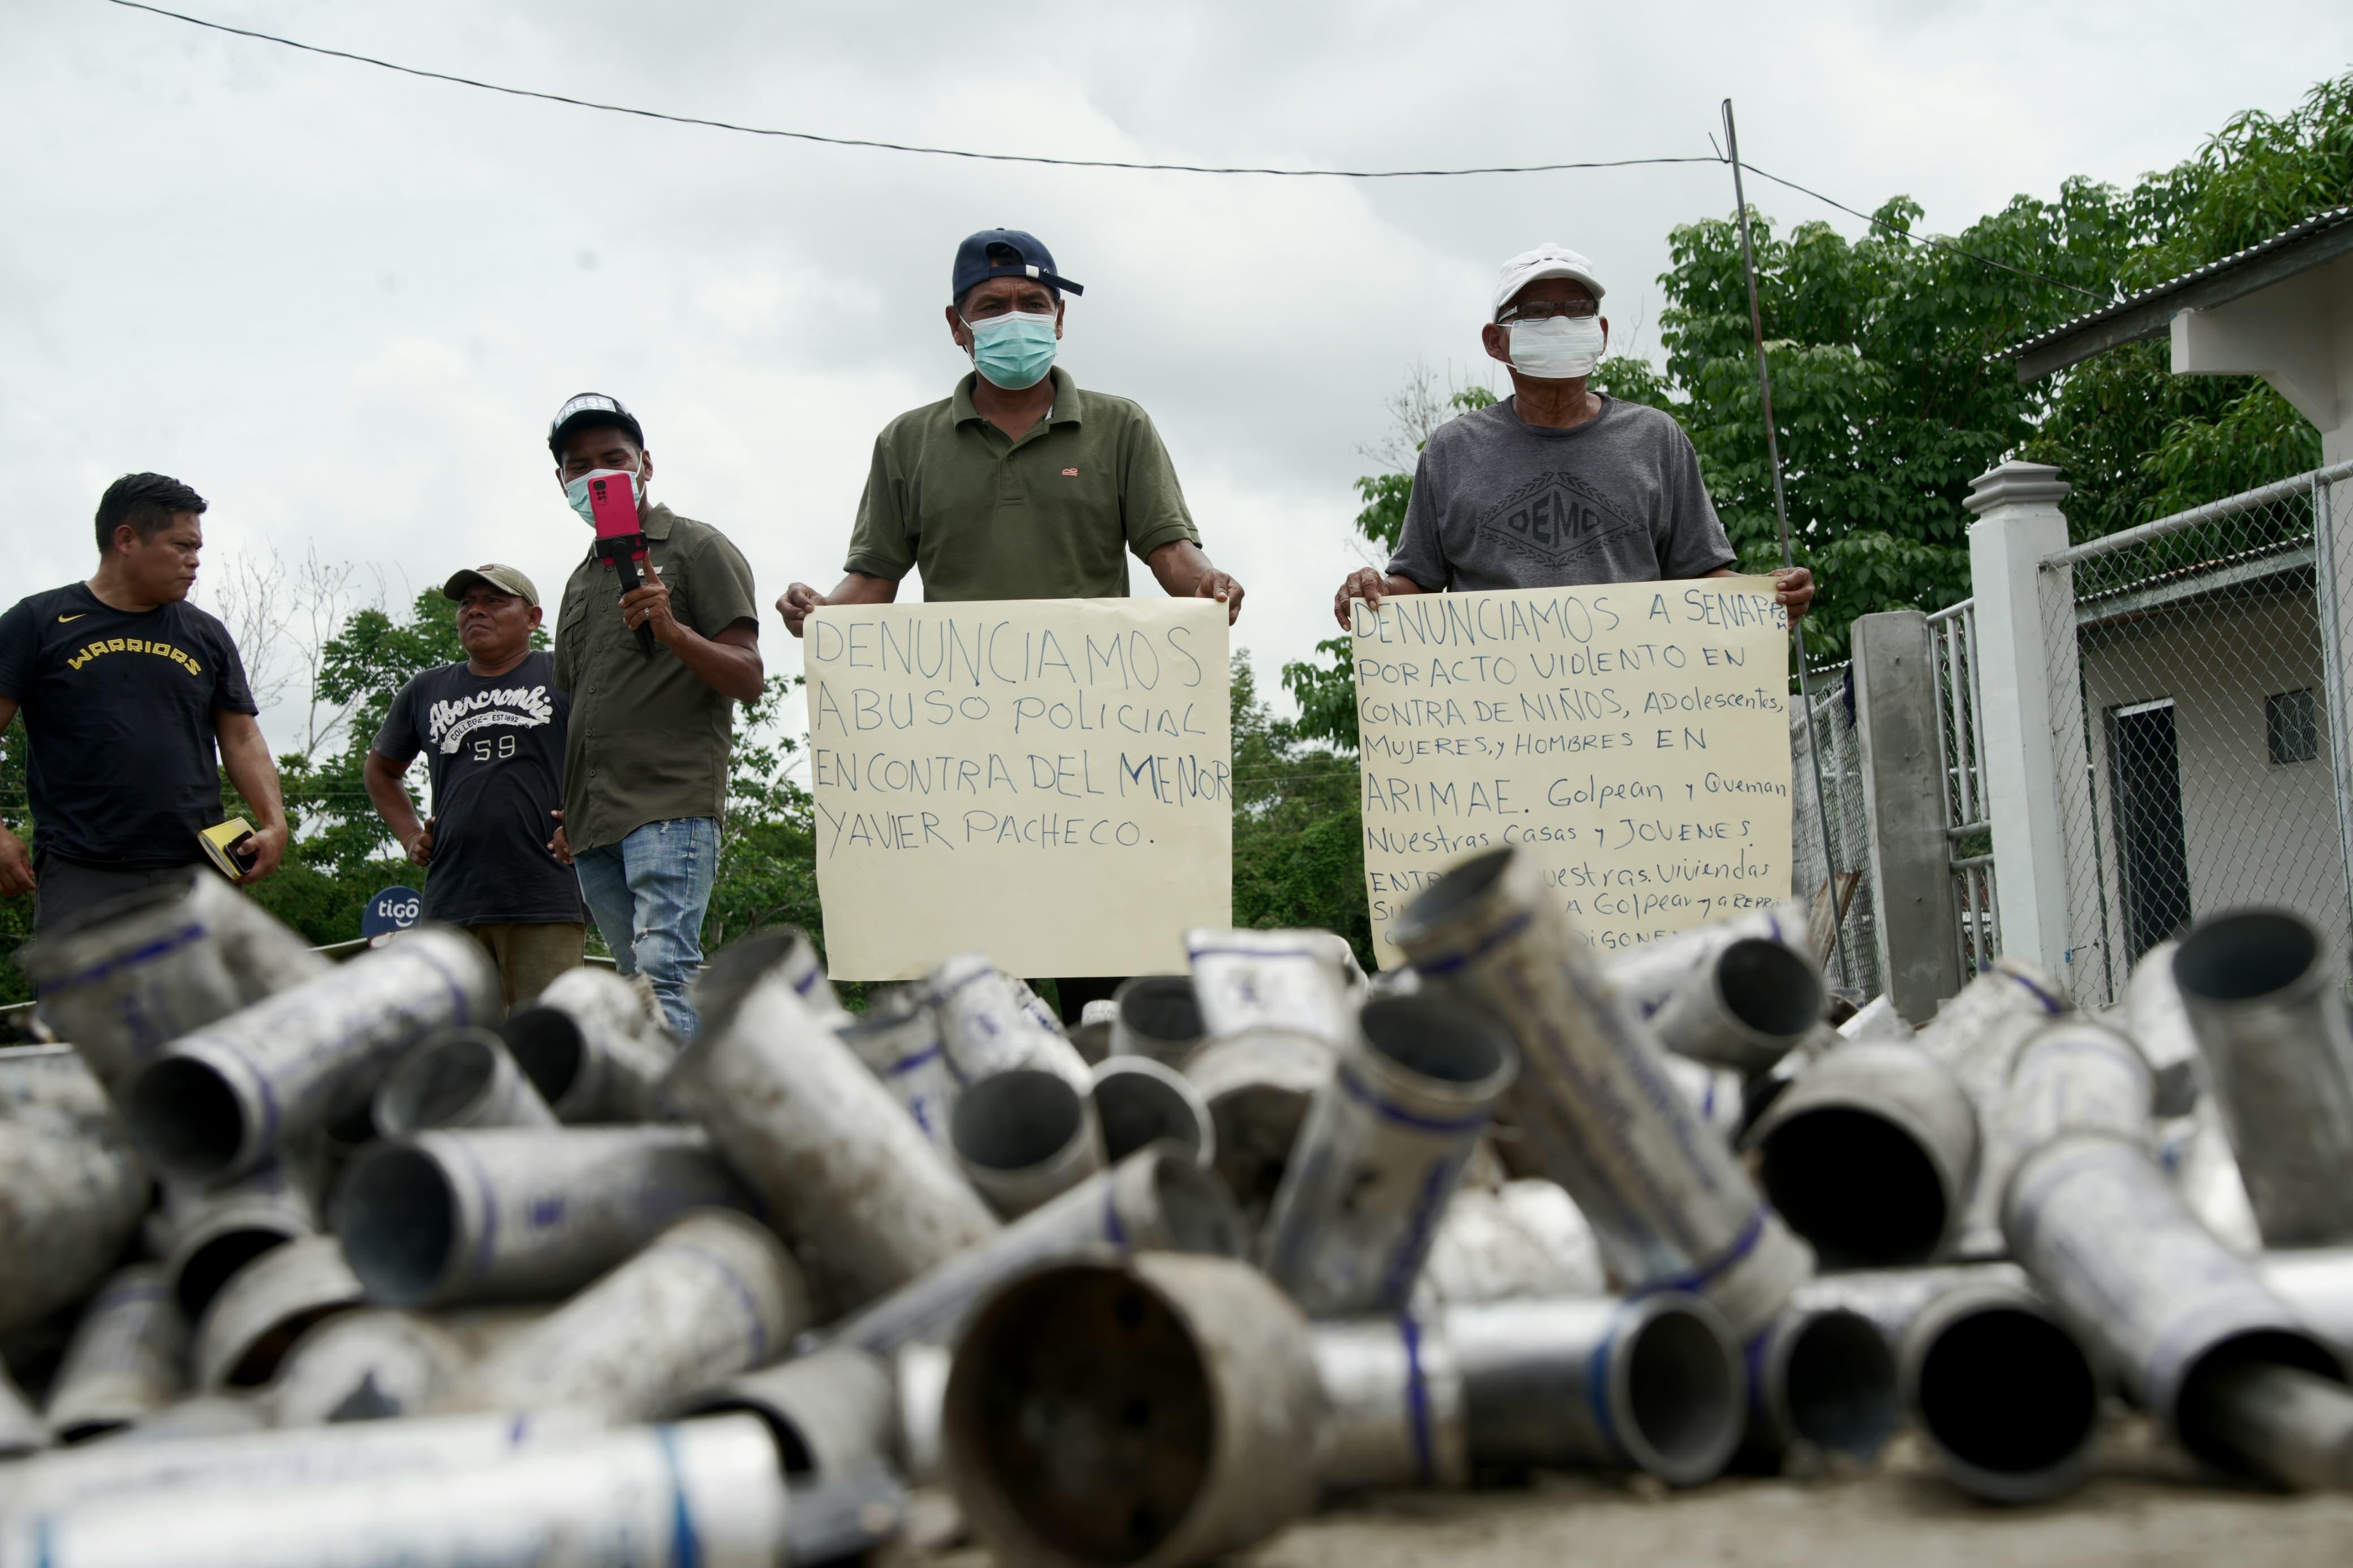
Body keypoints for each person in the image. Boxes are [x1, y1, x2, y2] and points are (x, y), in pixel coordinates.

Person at [774, 228, 1246, 1021]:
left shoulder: (1121, 427)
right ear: (956, 325)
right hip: (966, 770)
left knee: (1111, 988)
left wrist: (1209, 584)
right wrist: (820, 612)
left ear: (1060, 318)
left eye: (1032, 302)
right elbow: (874, 582)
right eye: (992, 306)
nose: (1014, 318)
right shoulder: (907, 442)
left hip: (1101, 755)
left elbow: (1170, 553)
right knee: (978, 991)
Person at [1332, 243, 1815, 628]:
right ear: (1496, 341)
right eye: (1537, 311)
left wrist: (1768, 593)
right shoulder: (1452, 451)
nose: (1560, 323)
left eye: (1577, 309)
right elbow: (1415, 584)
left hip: (1638, 706)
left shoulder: (1655, 439)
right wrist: (1373, 588)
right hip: (1494, 711)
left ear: (1601, 333)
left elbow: (1702, 576)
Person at [544, 394, 762, 1036]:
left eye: (614, 458)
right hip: (593, 821)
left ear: (645, 465)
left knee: (666, 971)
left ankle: (692, 1099)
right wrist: (570, 808)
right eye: (579, 465)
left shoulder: (697, 547)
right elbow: (576, 705)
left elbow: (748, 676)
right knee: (634, 984)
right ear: (561, 481)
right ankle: (659, 1087)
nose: (597, 474)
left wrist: (672, 629)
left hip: (669, 802)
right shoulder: (580, 580)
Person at [0, 472, 286, 932]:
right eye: (182, 545)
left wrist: (274, 822)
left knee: (211, 984)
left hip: (199, 870)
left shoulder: (206, 633)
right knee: (86, 985)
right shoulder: (37, 622)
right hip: (82, 870)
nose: (195, 561)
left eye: (198, 548)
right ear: (127, 539)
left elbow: (242, 738)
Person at [365, 564, 584, 1008]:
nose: (475, 611)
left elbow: (613, 752)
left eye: (494, 601)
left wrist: (587, 821)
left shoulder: (564, 674)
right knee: (454, 1038)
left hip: (544, 897)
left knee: (541, 1035)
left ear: (533, 618)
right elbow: (381, 770)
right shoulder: (425, 689)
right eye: (467, 603)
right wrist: (410, 835)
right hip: (451, 902)